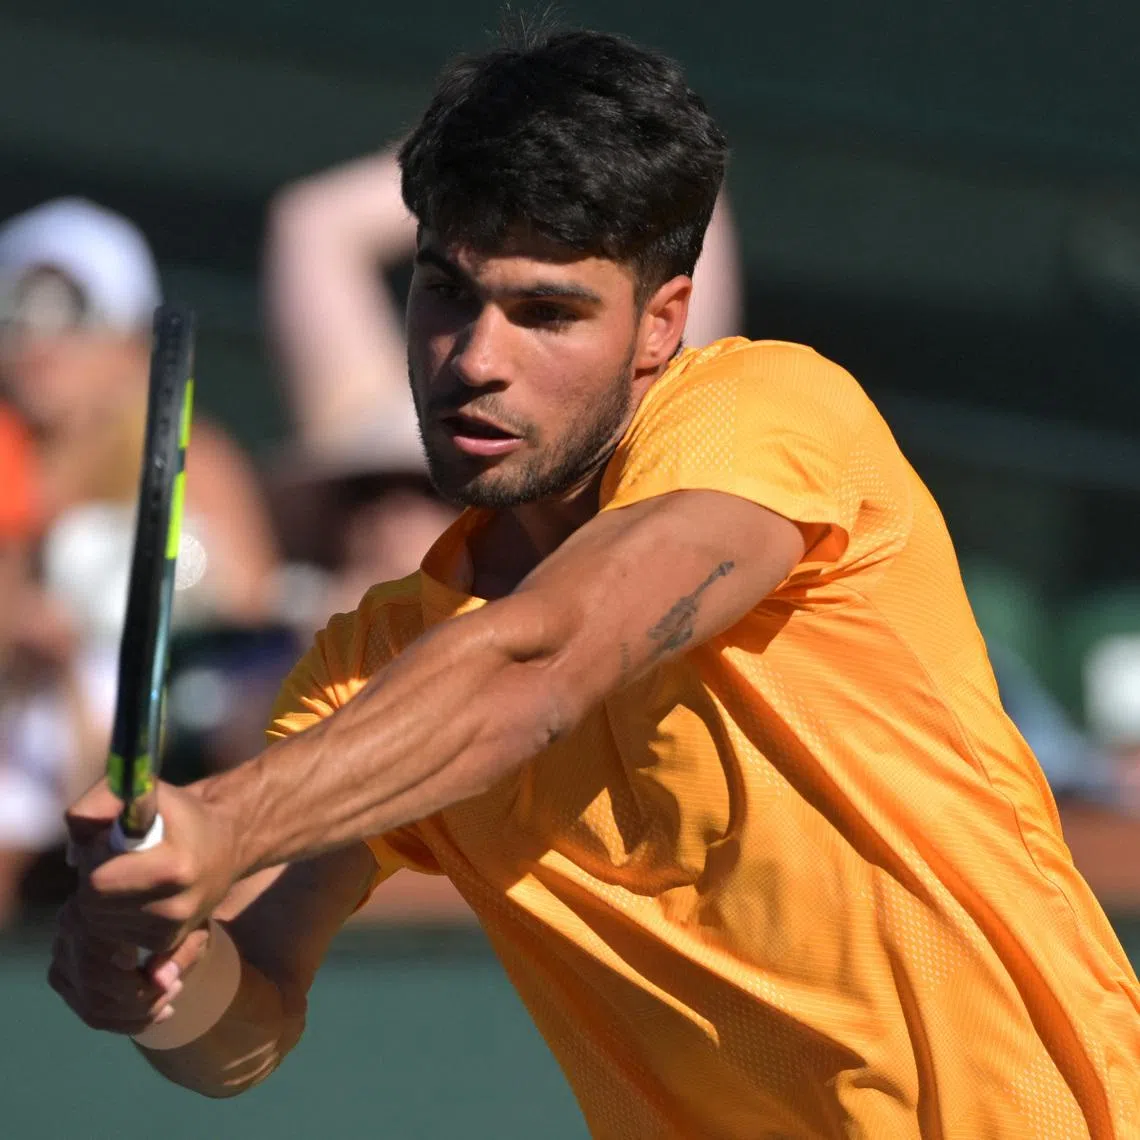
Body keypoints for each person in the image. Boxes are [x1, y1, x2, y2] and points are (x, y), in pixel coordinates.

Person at [51, 27, 1140, 1138]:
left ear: (659, 325)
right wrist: (156, 979)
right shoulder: (367, 672)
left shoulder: (769, 411)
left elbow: (548, 659)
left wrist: (226, 822)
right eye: (446, 294)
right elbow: (251, 1022)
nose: (475, 358)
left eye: (547, 313)